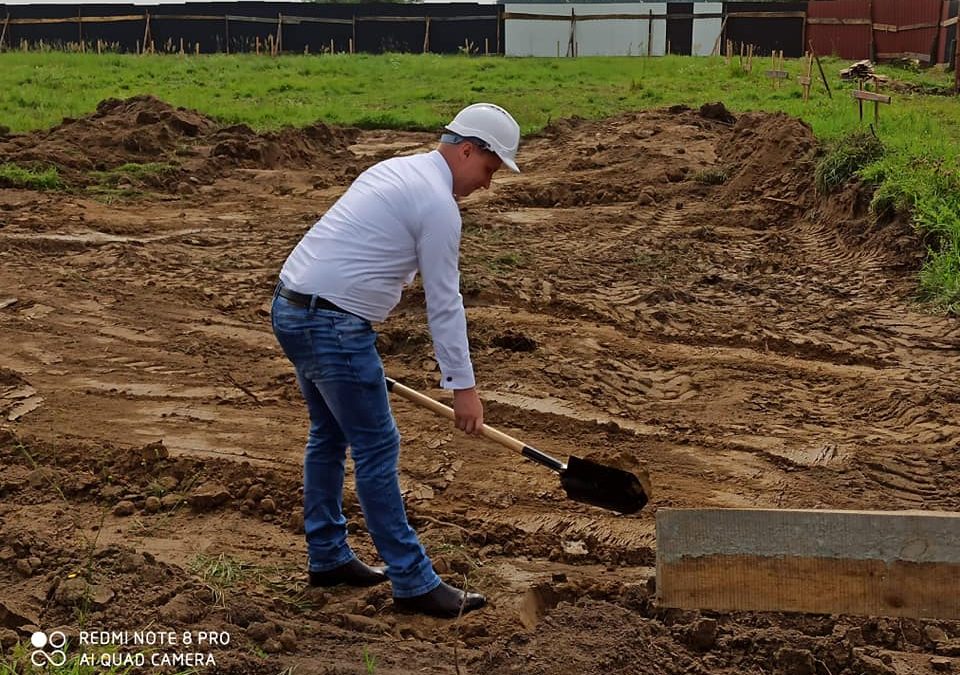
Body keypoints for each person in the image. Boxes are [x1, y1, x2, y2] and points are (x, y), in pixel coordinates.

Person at [270, 103, 521, 618]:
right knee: (377, 446)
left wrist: (342, 353)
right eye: (490, 170)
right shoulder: (436, 204)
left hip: (293, 307)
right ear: (467, 149)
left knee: (329, 434)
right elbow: (444, 302)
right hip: (331, 323)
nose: (488, 185)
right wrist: (463, 389)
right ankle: (412, 582)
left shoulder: (395, 169)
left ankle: (328, 555)